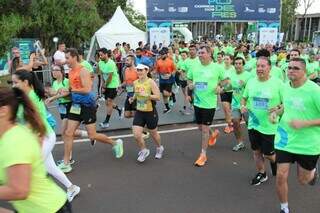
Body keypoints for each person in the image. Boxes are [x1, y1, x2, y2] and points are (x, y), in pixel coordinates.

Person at [11, 70, 80, 202]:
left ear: (25, 82)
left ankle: (48, 200)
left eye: (15, 82)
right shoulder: (25, 96)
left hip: (44, 137)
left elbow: (35, 124)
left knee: (31, 169)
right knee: (51, 168)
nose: (13, 86)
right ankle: (72, 187)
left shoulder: (31, 98)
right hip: (39, 138)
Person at [0, 87, 72, 213]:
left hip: (50, 209)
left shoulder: (14, 140)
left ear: (3, 111)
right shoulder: (8, 136)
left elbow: (19, 191)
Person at [59, 48, 123, 173]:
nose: (65, 60)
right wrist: (59, 93)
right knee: (68, 132)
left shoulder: (83, 70)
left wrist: (72, 90)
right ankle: (66, 162)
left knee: (92, 135)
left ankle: (115, 143)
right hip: (76, 105)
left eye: (67, 58)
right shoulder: (71, 72)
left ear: (74, 57)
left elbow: (87, 89)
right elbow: (71, 88)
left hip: (87, 105)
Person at [273, 58, 320, 213]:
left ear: (305, 71)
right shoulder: (285, 87)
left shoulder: (314, 90)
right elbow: (286, 105)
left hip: (308, 143)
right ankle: (284, 208)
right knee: (280, 175)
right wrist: (276, 112)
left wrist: (304, 123)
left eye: (296, 68)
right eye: (289, 67)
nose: (291, 70)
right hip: (284, 138)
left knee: (303, 180)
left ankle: (312, 172)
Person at [241, 57, 283, 185]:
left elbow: (285, 104)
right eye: (258, 66)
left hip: (270, 126)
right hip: (253, 124)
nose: (259, 69)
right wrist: (242, 106)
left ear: (269, 68)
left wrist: (277, 109)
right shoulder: (251, 82)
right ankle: (262, 173)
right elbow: (244, 97)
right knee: (256, 151)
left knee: (269, 154)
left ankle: (276, 161)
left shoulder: (278, 83)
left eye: (263, 66)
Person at [187, 45, 223, 167]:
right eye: (199, 53)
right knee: (200, 127)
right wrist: (190, 86)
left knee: (204, 130)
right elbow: (189, 79)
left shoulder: (217, 67)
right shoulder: (194, 67)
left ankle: (203, 155)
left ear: (209, 53)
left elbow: (227, 80)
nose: (200, 55)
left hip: (209, 104)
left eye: (202, 53)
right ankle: (213, 134)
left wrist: (221, 87)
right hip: (197, 102)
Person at [45, 65, 92, 149]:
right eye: (52, 70)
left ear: (62, 71)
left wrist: (53, 97)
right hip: (62, 108)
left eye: (56, 70)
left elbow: (67, 94)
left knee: (64, 132)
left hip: (71, 106)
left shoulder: (67, 81)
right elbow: (56, 93)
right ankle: (91, 135)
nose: (53, 72)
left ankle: (68, 158)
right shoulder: (55, 83)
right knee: (69, 131)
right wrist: (48, 95)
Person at [129, 64, 163, 163]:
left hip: (150, 112)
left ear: (146, 71)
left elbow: (158, 97)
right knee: (136, 134)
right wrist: (133, 98)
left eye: (141, 70)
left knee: (154, 133)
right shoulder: (135, 82)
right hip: (139, 111)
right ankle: (144, 150)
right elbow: (136, 93)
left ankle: (159, 148)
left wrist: (147, 95)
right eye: (138, 70)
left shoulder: (151, 82)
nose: (139, 72)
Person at [229, 57, 251, 151]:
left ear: (243, 65)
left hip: (247, 104)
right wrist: (221, 89)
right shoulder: (231, 75)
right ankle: (240, 142)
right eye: (236, 63)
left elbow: (252, 89)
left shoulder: (248, 76)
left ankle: (257, 144)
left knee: (250, 125)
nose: (238, 65)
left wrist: (245, 84)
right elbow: (228, 87)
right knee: (235, 121)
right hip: (235, 103)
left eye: (240, 63)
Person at [98, 48, 123, 128]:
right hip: (106, 84)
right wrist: (102, 85)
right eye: (99, 55)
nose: (100, 56)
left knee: (109, 102)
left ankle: (106, 122)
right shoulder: (100, 62)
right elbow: (102, 74)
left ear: (106, 54)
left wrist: (105, 86)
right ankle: (119, 109)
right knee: (108, 103)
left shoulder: (111, 63)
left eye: (101, 55)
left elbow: (110, 77)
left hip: (113, 85)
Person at [154, 48, 176, 113]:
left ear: (166, 54)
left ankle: (172, 95)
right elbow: (157, 70)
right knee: (163, 94)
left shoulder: (170, 61)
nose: (161, 56)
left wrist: (170, 74)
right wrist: (154, 74)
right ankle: (167, 107)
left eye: (162, 54)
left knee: (166, 93)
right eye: (160, 54)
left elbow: (174, 70)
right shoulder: (158, 61)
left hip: (169, 79)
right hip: (162, 79)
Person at [219, 54, 235, 134]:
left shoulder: (234, 69)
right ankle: (229, 125)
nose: (225, 60)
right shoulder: (221, 69)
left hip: (233, 92)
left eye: (227, 59)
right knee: (226, 109)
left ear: (231, 60)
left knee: (232, 110)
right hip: (224, 91)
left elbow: (234, 81)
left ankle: (233, 122)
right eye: (224, 59)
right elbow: (219, 80)